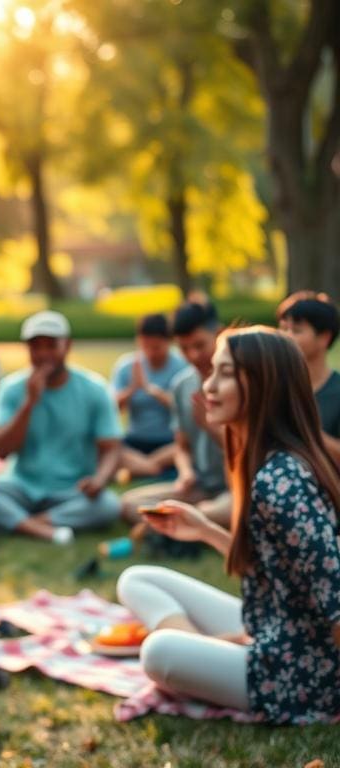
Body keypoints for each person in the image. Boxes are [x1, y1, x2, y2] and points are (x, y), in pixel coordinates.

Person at [117, 327, 340, 723]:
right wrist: (203, 529)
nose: (209, 385)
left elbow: (334, 596)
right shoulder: (266, 463)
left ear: (263, 384)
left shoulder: (280, 479)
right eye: (212, 372)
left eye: (225, 373)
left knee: (158, 651)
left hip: (303, 676)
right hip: (275, 626)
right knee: (136, 579)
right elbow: (282, 571)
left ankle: (208, 648)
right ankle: (212, 647)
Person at [0, 310, 122, 544]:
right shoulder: (12, 388)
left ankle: (29, 522)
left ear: (67, 346)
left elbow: (111, 448)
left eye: (51, 346)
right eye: (36, 347)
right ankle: (43, 528)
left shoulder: (94, 389)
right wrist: (28, 404)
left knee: (108, 505)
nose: (43, 354)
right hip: (21, 486)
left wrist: (99, 479)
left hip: (72, 491)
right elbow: (0, 449)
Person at [121, 301, 230, 526]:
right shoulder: (182, 385)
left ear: (218, 334)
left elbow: (250, 455)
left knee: (235, 509)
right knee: (129, 504)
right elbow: (181, 446)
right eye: (184, 348)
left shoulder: (237, 382)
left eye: (200, 345)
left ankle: (183, 525)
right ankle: (190, 523)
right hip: (199, 487)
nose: (193, 355)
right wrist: (186, 471)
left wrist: (210, 427)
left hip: (234, 488)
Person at [111, 314, 187, 478]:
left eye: (157, 347)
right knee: (109, 448)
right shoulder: (126, 366)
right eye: (146, 347)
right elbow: (113, 409)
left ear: (169, 342)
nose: (151, 353)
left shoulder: (182, 366)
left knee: (186, 448)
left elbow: (186, 408)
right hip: (134, 442)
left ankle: (141, 468)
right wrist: (132, 389)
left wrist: (152, 391)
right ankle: (153, 468)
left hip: (169, 443)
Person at [276, 291, 340, 465]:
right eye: (283, 329)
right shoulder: (274, 387)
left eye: (296, 330)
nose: (286, 336)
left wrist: (307, 429)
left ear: (324, 337)